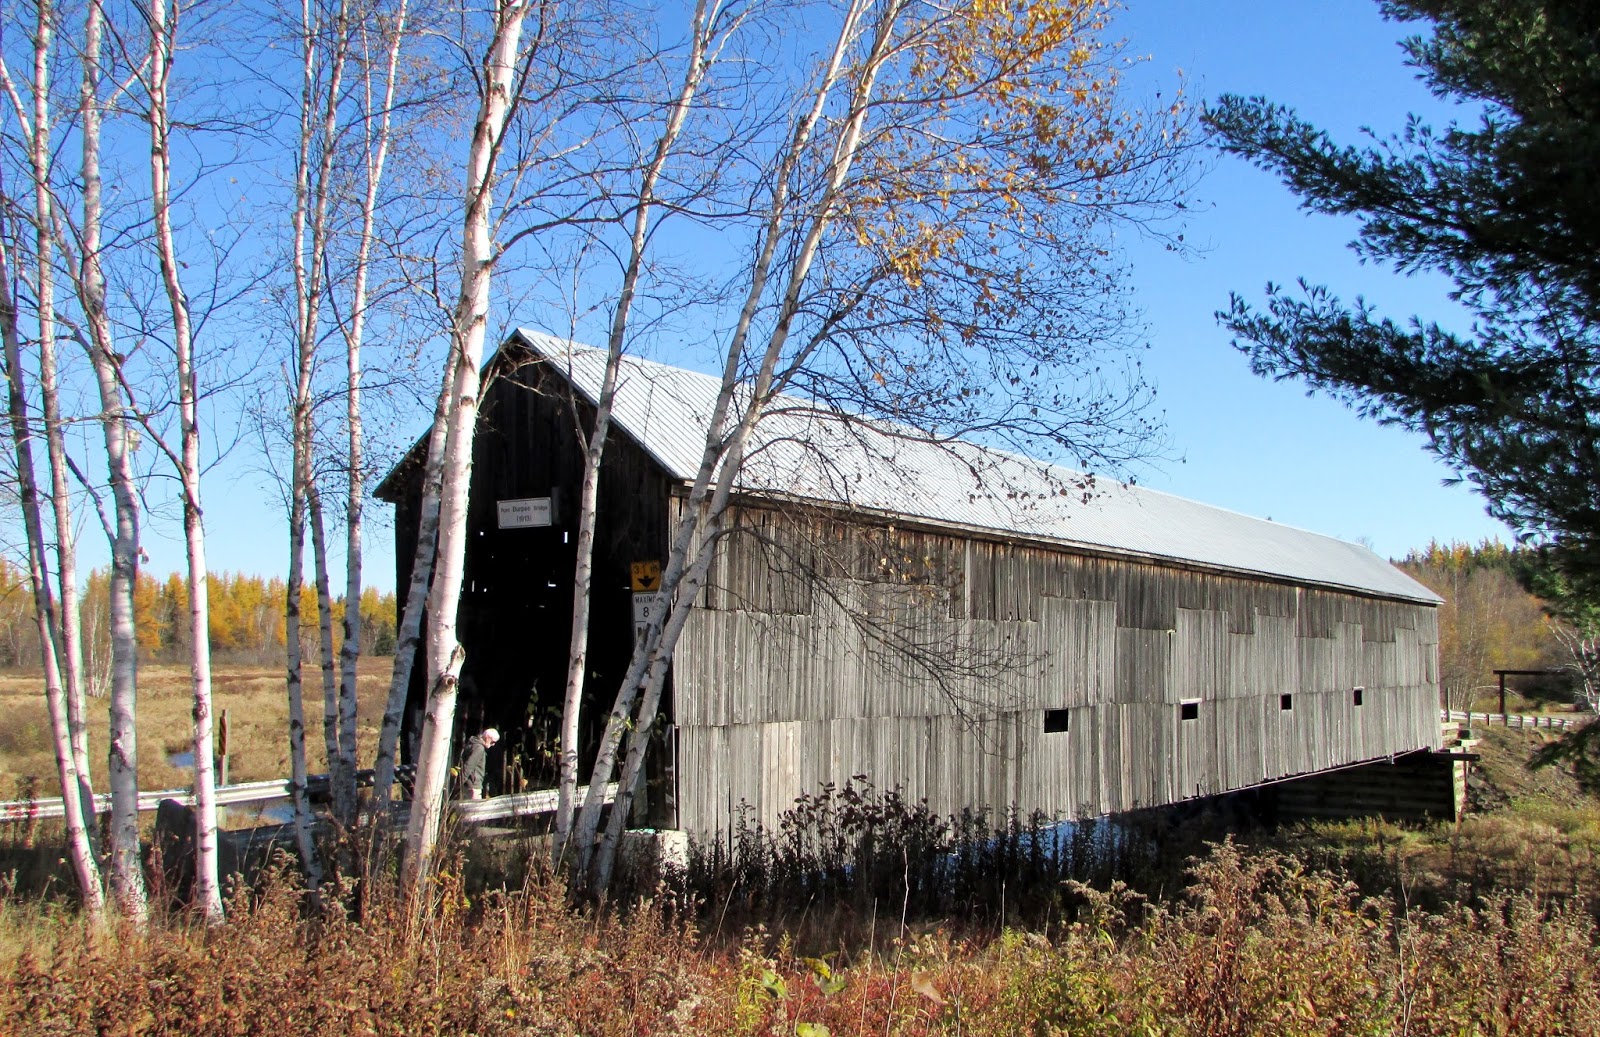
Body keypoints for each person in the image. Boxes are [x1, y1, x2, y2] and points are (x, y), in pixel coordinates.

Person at [457, 727, 499, 800]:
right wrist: (459, 783)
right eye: (493, 742)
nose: (493, 745)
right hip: (473, 785)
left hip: (469, 783)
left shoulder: (473, 744)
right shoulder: (479, 748)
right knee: (474, 809)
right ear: (487, 738)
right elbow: (469, 766)